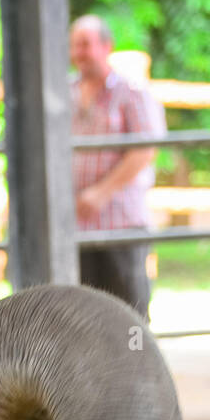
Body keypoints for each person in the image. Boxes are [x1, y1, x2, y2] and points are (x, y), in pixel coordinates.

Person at [70, 16, 166, 319]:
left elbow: (144, 149)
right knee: (84, 314)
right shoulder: (65, 93)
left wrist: (101, 193)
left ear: (106, 46)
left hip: (120, 221)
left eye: (85, 44)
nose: (79, 53)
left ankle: (137, 367)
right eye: (75, 46)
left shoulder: (131, 91)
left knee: (128, 312)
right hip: (76, 225)